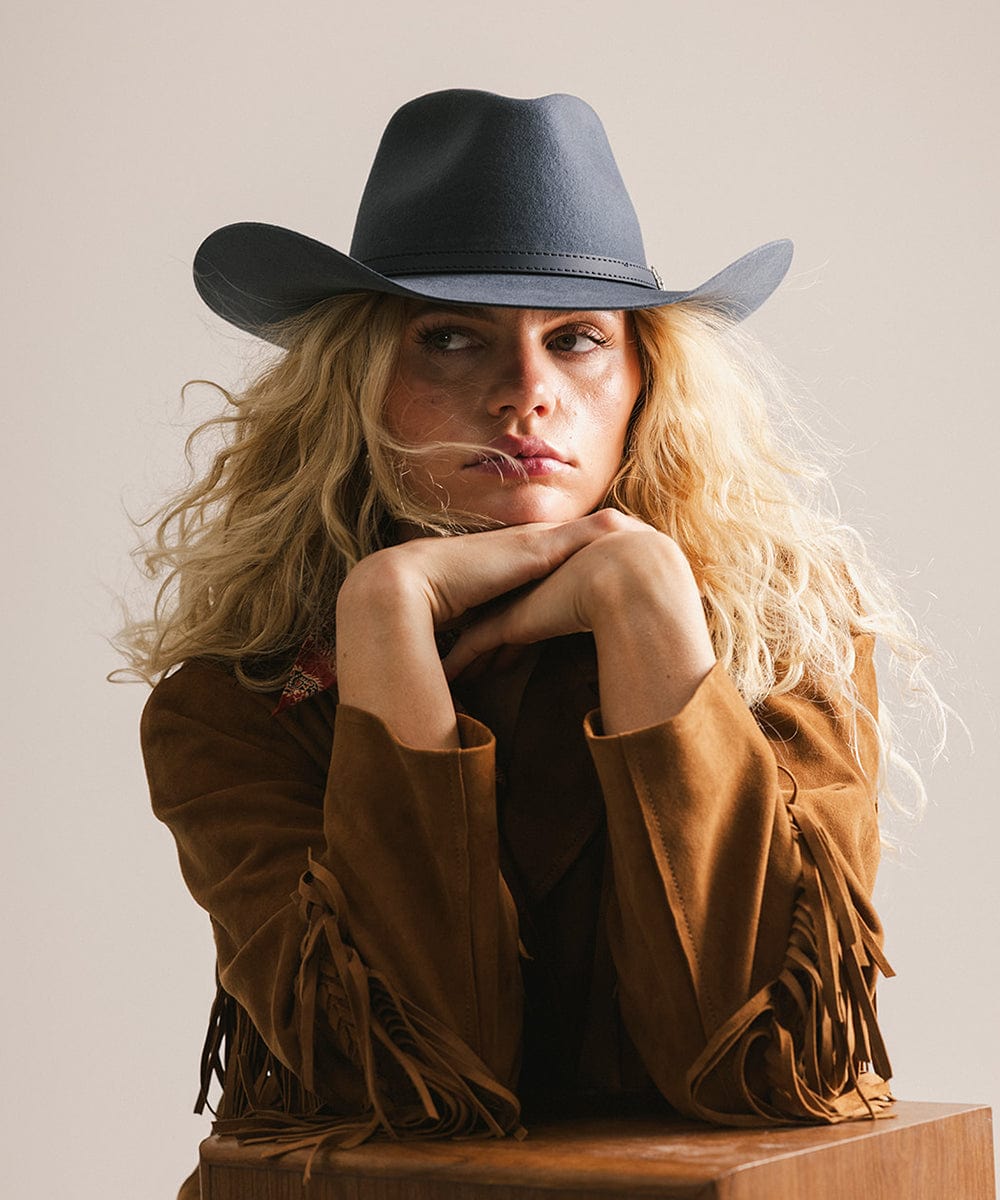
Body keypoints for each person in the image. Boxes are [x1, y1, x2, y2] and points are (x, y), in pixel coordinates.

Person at [123, 90, 932, 1192]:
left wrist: (647, 599)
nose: (527, 395)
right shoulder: (236, 702)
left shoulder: (786, 642)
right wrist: (385, 622)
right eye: (452, 338)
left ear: (647, 380)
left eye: (577, 341)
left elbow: (761, 1071)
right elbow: (412, 1091)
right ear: (356, 385)